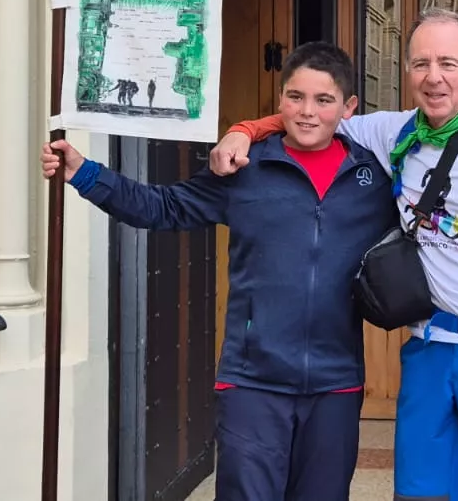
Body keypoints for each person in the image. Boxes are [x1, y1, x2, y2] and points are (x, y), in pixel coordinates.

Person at [209, 9, 458, 501]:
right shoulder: (395, 132)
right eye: (420, 63)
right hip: (429, 351)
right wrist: (245, 129)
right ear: (407, 72)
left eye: (448, 62)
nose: (433, 77)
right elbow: (316, 116)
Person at [42, 41, 395, 501]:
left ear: (348, 107)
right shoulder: (245, 169)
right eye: (295, 96)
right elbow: (162, 207)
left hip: (336, 386)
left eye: (323, 100)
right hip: (252, 383)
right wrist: (85, 173)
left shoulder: (373, 178)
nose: (307, 112)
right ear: (281, 97)